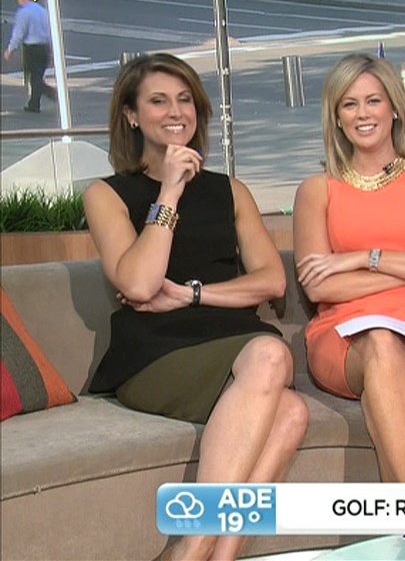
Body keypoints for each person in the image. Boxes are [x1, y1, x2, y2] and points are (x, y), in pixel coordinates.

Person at [83, 53, 308, 561]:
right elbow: (139, 283)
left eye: (184, 99)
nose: (176, 112)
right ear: (131, 115)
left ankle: (206, 553)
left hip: (232, 344)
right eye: (158, 101)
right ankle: (194, 547)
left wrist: (191, 294)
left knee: (291, 412)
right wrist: (169, 191)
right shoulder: (107, 195)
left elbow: (272, 281)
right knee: (271, 357)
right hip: (156, 355)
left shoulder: (231, 190)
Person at [293, 54, 405, 483]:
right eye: (349, 104)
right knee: (382, 340)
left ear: (394, 108)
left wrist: (362, 258)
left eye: (373, 101)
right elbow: (320, 288)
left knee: (389, 382)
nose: (363, 114)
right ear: (336, 117)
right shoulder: (316, 190)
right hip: (343, 333)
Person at [3, 0, 57, 113]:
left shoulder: (24, 12)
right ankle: (34, 103)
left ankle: (52, 96)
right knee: (37, 75)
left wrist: (10, 49)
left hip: (32, 47)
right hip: (44, 46)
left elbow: (19, 33)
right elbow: (50, 30)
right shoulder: (43, 11)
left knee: (34, 76)